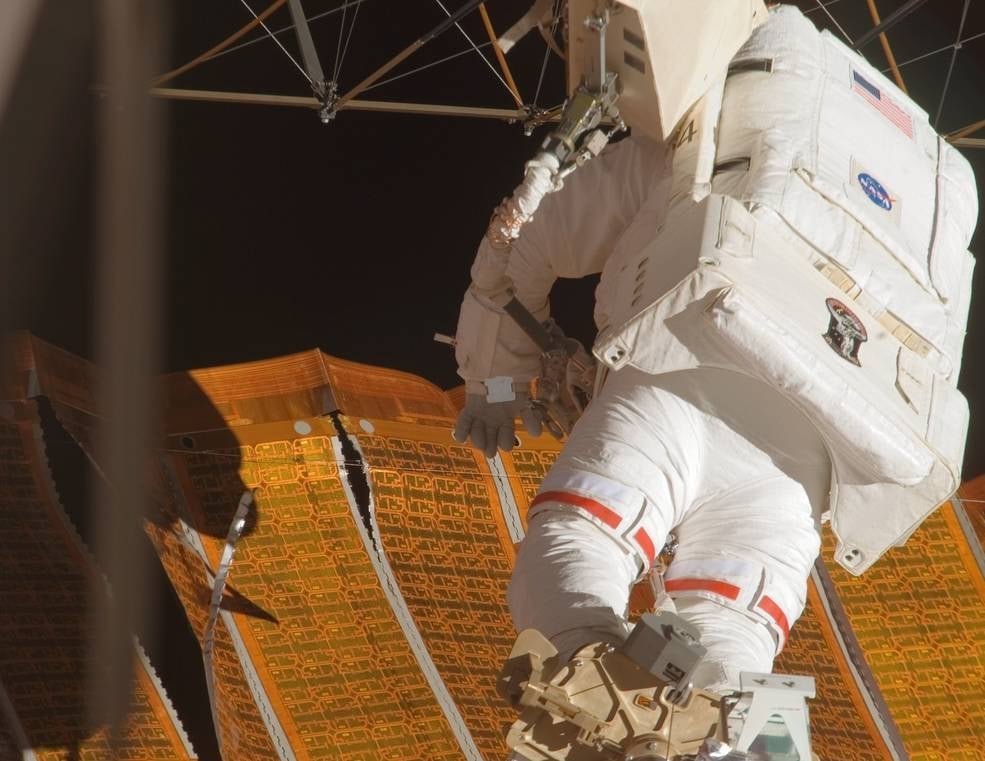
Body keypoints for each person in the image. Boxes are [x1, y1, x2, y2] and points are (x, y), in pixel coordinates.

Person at [453, 0, 977, 709]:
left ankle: (585, 667)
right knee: (735, 631)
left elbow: (525, 242)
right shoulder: (907, 181)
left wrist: (493, 385)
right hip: (818, 452)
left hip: (685, 374)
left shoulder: (711, 111)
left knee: (582, 535)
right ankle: (748, 745)